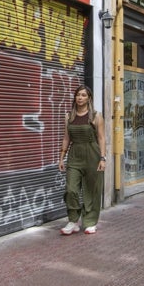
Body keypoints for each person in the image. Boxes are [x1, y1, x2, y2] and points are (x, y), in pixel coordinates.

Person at [58, 85, 106, 235]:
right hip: (74, 154)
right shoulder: (69, 116)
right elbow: (66, 138)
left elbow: (101, 138)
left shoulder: (96, 116)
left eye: (84, 95)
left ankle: (90, 222)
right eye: (78, 95)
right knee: (71, 189)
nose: (80, 98)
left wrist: (102, 158)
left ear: (89, 98)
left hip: (92, 153)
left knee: (91, 190)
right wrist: (61, 158)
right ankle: (73, 221)